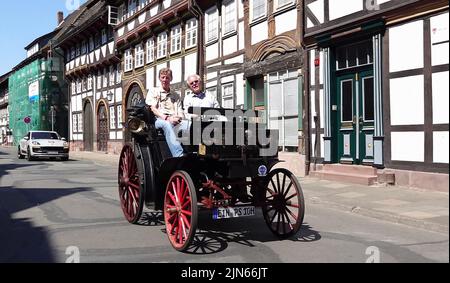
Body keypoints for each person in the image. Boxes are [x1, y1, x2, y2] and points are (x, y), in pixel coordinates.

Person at [146, 68, 186, 157]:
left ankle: (195, 153)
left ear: (171, 79)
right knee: (167, 125)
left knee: (190, 125)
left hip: (174, 118)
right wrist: (167, 118)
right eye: (163, 77)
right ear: (159, 78)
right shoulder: (153, 91)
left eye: (167, 78)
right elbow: (153, 109)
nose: (165, 80)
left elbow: (180, 110)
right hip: (159, 120)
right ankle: (178, 154)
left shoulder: (175, 95)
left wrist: (179, 118)